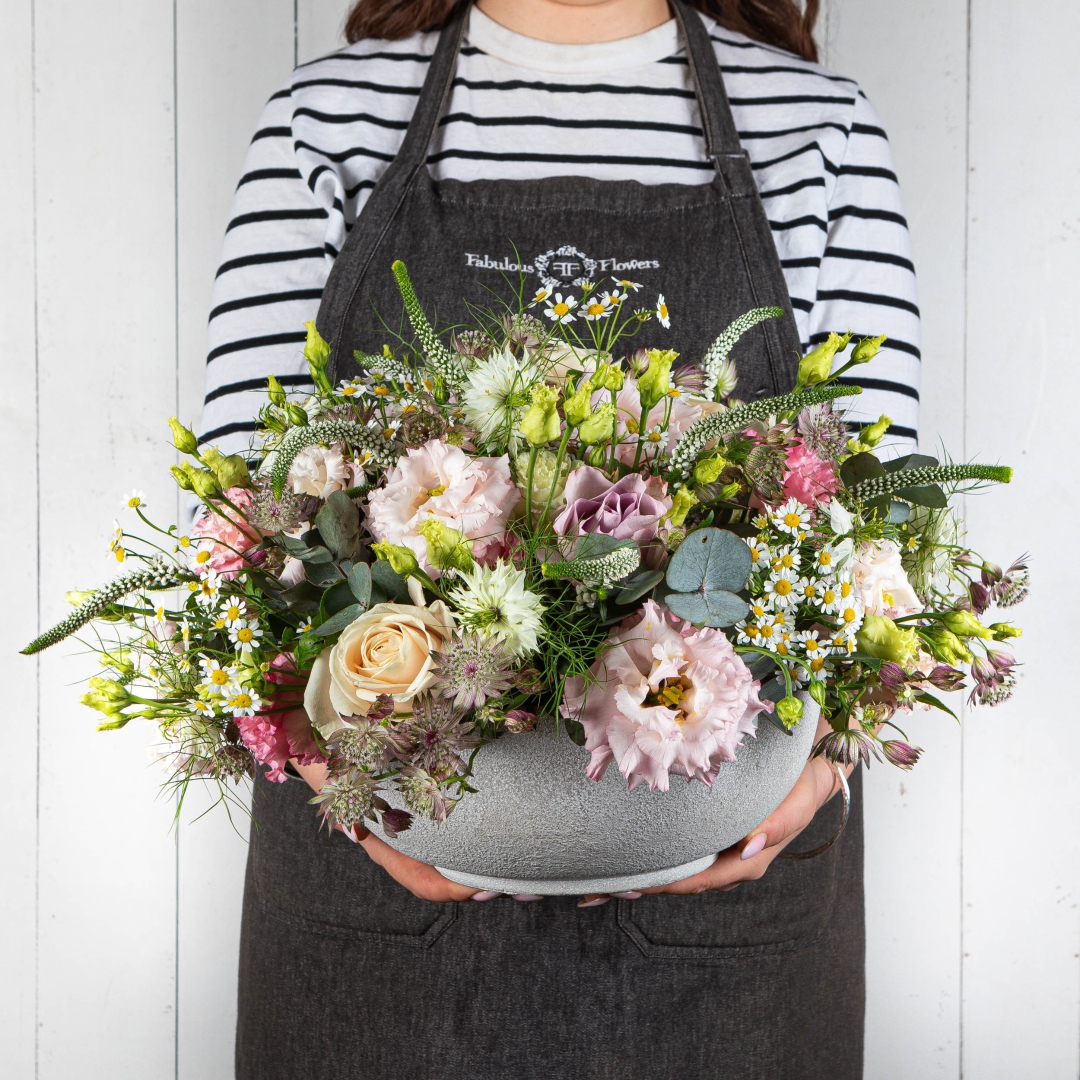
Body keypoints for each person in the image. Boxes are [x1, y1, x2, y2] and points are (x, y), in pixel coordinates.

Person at [200, 1, 920, 1076]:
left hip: (723, 937)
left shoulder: (818, 133)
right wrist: (343, 798)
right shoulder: (327, 126)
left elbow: (890, 549)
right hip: (380, 924)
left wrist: (816, 777)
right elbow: (235, 533)